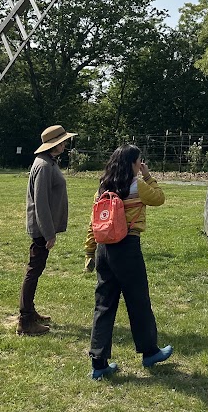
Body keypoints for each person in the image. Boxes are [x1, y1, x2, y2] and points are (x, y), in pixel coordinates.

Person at [84, 145, 172, 380]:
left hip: (104, 250)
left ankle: (99, 362)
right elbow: (160, 198)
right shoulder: (138, 185)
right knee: (138, 301)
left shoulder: (101, 189)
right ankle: (150, 352)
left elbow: (93, 222)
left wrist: (89, 251)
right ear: (133, 163)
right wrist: (148, 175)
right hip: (127, 248)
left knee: (104, 304)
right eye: (139, 161)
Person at [18, 124, 76, 336]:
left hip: (44, 227)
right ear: (55, 144)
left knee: (36, 269)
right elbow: (40, 203)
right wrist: (49, 233)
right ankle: (25, 321)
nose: (65, 143)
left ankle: (30, 312)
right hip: (42, 229)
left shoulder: (48, 162)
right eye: (63, 141)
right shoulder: (43, 165)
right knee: (33, 270)